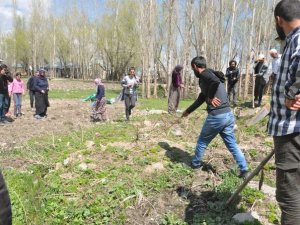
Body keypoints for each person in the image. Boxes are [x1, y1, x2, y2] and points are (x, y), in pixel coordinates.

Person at [182, 56, 248, 178]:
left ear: (195, 67)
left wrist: (211, 97)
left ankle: (195, 164)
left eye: (192, 68)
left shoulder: (206, 75)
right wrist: (188, 111)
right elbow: (202, 97)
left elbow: (214, 82)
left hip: (217, 116)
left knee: (202, 141)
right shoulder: (208, 77)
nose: (193, 71)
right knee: (232, 144)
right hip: (228, 115)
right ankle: (244, 169)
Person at [268, 1, 300, 224]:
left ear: (279, 19)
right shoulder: (290, 42)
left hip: (291, 129)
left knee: (289, 197)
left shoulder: (298, 38)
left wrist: (293, 91)